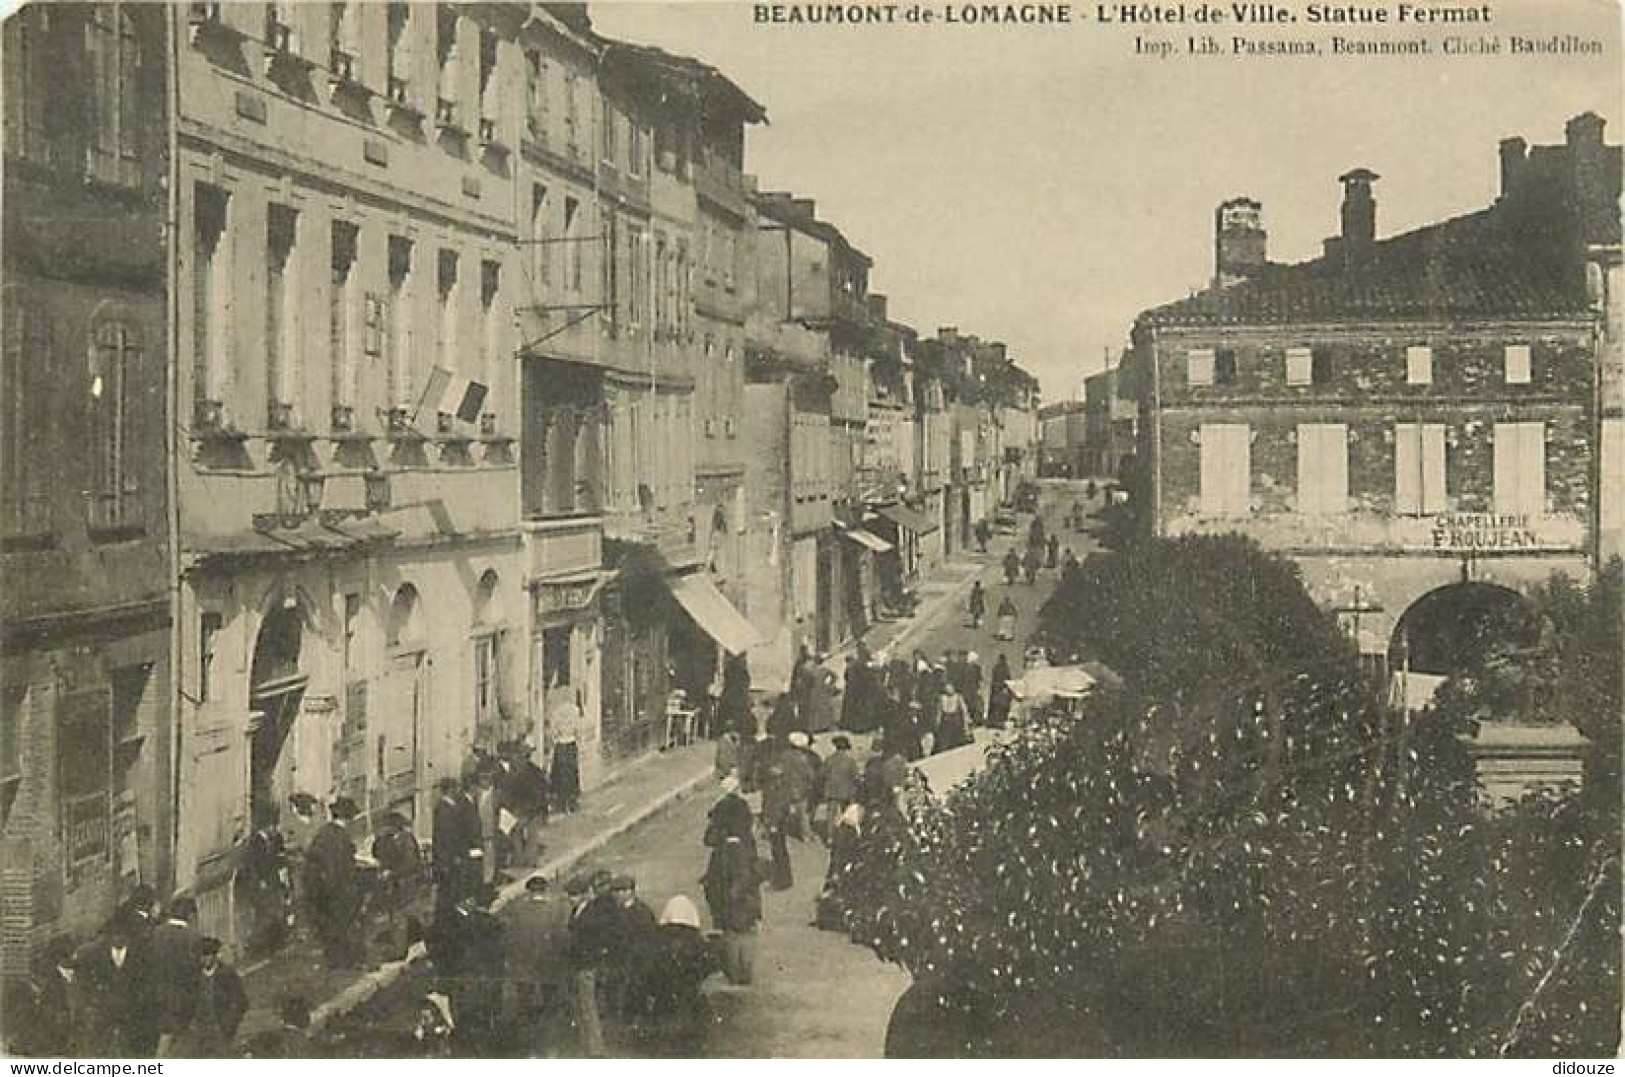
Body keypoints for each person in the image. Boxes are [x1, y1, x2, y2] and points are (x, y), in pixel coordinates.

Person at [630, 896, 718, 1056]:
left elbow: (648, 966)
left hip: (663, 994)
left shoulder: (658, 938)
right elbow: (708, 965)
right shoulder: (696, 939)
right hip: (688, 994)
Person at [702, 777, 763, 986]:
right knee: (747, 933)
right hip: (747, 900)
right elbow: (752, 874)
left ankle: (735, 972)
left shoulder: (721, 853)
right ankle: (745, 972)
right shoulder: (746, 848)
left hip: (729, 900)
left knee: (731, 934)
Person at [505, 875, 576, 1040]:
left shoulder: (518, 911)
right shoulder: (556, 910)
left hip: (524, 964)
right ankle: (547, 1035)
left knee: (525, 1001)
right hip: (548, 963)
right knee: (550, 999)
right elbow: (562, 937)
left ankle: (526, 1035)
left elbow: (510, 937)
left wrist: (512, 959)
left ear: (529, 892)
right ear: (545, 890)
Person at [304, 797, 364, 969]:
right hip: (341, 887)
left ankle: (334, 959)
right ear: (348, 818)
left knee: (331, 924)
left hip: (324, 888)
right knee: (345, 923)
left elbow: (314, 859)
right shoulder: (342, 836)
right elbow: (344, 865)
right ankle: (345, 960)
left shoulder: (322, 833)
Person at [78, 924, 147, 1055]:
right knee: (101, 1046)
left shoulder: (139, 954)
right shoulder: (96, 953)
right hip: (103, 1007)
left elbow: (143, 979)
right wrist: (92, 999)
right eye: (115, 936)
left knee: (128, 1048)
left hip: (130, 1008)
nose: (118, 939)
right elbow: (85, 978)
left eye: (123, 937)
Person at [7, 936, 82, 1056]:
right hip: (49, 1045)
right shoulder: (48, 981)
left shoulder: (78, 977)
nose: (76, 957)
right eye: (74, 954)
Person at [149, 896, 204, 1056]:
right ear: (189, 914)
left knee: (165, 1037)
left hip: (159, 994)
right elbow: (195, 969)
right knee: (183, 1039)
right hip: (184, 995)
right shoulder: (192, 936)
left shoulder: (156, 933)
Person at [179, 938, 248, 1056]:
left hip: (220, 1029)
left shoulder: (227, 975)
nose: (204, 959)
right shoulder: (194, 976)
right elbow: (187, 1000)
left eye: (207, 955)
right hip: (198, 1029)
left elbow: (241, 1002)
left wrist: (229, 1024)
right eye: (201, 956)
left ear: (215, 956)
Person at [237, 806, 289, 958]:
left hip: (272, 882)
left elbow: (279, 859)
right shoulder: (255, 842)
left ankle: (270, 945)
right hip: (260, 884)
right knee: (264, 914)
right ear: (266, 826)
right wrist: (259, 881)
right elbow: (251, 865)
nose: (275, 829)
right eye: (273, 826)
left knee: (275, 912)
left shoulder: (274, 839)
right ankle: (255, 945)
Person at [371, 811, 422, 957]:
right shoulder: (385, 839)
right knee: (395, 916)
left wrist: (392, 873)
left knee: (401, 916)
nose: (385, 829)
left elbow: (411, 863)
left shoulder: (406, 840)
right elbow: (376, 853)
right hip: (392, 884)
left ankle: (401, 950)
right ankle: (401, 945)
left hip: (405, 882)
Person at [433, 779, 481, 908]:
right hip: (450, 858)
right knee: (450, 888)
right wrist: (454, 856)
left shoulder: (450, 806)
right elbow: (447, 836)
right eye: (456, 788)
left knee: (453, 888)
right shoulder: (445, 809)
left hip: (451, 856)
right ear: (450, 789)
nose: (458, 791)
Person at [818, 735, 861, 842]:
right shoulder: (850, 760)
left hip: (831, 790)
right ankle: (847, 836)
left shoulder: (829, 759)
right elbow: (855, 776)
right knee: (846, 814)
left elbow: (822, 774)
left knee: (831, 815)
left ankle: (830, 837)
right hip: (846, 791)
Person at [549, 689, 584, 813]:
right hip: (571, 743)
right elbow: (578, 729)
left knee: (559, 773)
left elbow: (553, 731)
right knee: (571, 772)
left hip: (560, 744)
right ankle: (572, 799)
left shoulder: (556, 712)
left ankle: (561, 800)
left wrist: (556, 738)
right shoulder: (575, 711)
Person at [719, 654, 753, 739]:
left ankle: (728, 730)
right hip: (737, 698)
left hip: (730, 697)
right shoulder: (742, 672)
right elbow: (746, 683)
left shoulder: (729, 670)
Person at [936, 680, 971, 752]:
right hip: (945, 721)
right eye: (947, 688)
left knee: (956, 740)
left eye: (950, 687)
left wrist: (966, 723)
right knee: (945, 741)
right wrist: (937, 722)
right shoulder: (942, 698)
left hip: (955, 720)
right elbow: (939, 711)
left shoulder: (958, 697)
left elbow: (964, 710)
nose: (949, 689)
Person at [988, 654, 1015, 727]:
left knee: (996, 706)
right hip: (1001, 690)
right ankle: (999, 721)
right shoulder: (1005, 669)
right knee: (1001, 706)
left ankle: (994, 721)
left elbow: (994, 680)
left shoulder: (996, 668)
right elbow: (1008, 679)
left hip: (997, 690)